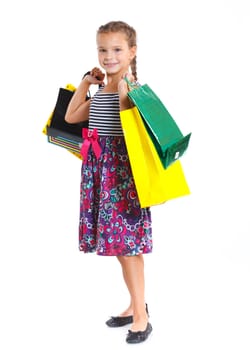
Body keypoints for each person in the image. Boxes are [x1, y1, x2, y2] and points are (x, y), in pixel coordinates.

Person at [65, 20, 153, 344]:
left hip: (120, 178)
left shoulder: (129, 89)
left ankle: (142, 316)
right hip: (101, 174)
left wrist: (124, 85)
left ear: (132, 52)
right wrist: (86, 82)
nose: (108, 56)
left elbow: (130, 123)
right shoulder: (104, 89)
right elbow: (72, 116)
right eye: (103, 49)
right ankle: (134, 305)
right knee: (120, 248)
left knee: (128, 248)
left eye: (117, 49)